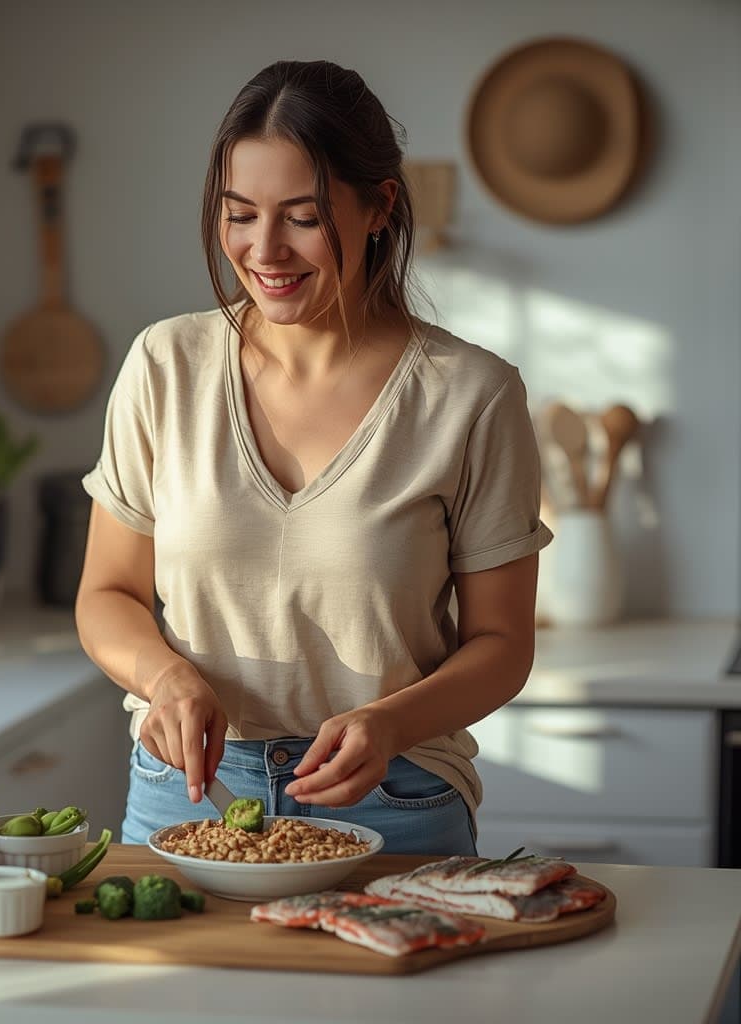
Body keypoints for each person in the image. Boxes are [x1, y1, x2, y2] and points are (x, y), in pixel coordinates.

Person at [76, 59, 552, 855]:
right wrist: (165, 677)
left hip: (393, 797)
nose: (265, 250)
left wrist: (389, 722)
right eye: (240, 214)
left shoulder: (472, 395)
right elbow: (107, 594)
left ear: (380, 207)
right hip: (187, 791)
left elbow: (503, 645)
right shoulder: (165, 365)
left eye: (302, 218)